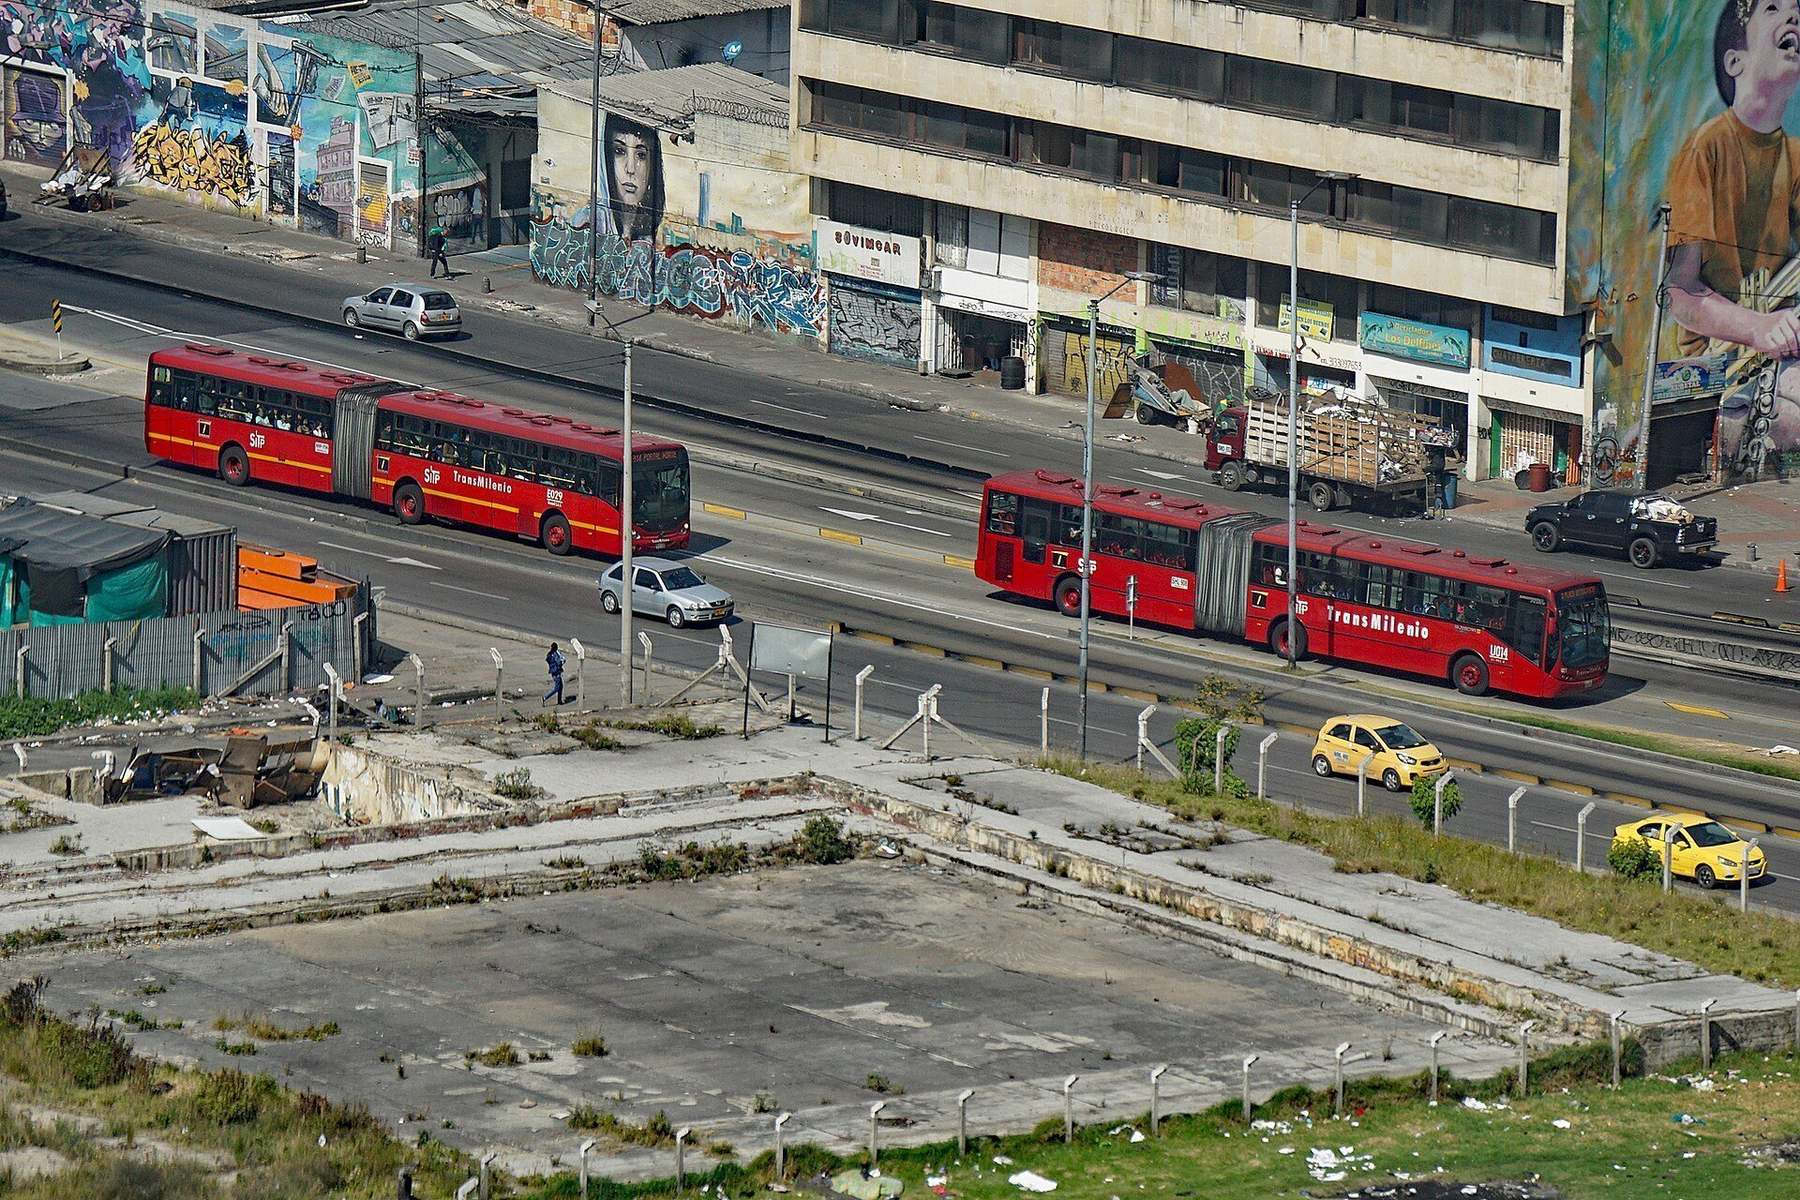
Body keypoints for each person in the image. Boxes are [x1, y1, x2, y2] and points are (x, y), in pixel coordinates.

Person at [1664, 0, 1800, 472]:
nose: (1794, 17)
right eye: (1773, 9)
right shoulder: (1707, 149)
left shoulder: (1796, 157)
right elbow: (1678, 294)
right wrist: (1760, 328)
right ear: (1735, 61)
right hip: (1712, 369)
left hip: (1778, 357)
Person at [543, 642, 566, 706]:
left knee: (561, 687)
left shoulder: (550, 654)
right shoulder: (555, 654)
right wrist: (563, 661)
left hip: (553, 672)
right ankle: (545, 697)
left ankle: (559, 701)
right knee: (557, 688)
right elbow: (559, 662)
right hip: (557, 672)